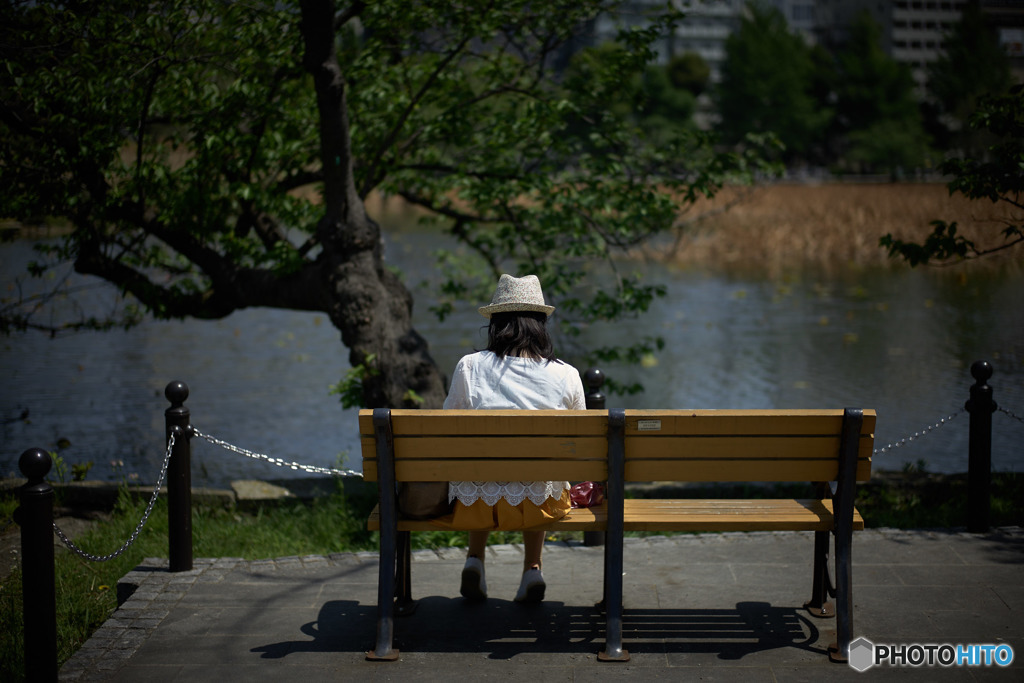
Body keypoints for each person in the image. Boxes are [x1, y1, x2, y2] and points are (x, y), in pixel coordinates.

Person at [443, 273, 586, 603]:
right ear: (540, 324)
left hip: (475, 505)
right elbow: (581, 439)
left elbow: (451, 428)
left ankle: (475, 560)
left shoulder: (469, 367)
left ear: (496, 322)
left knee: (480, 465)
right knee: (539, 473)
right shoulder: (566, 374)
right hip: (541, 507)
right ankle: (532, 568)